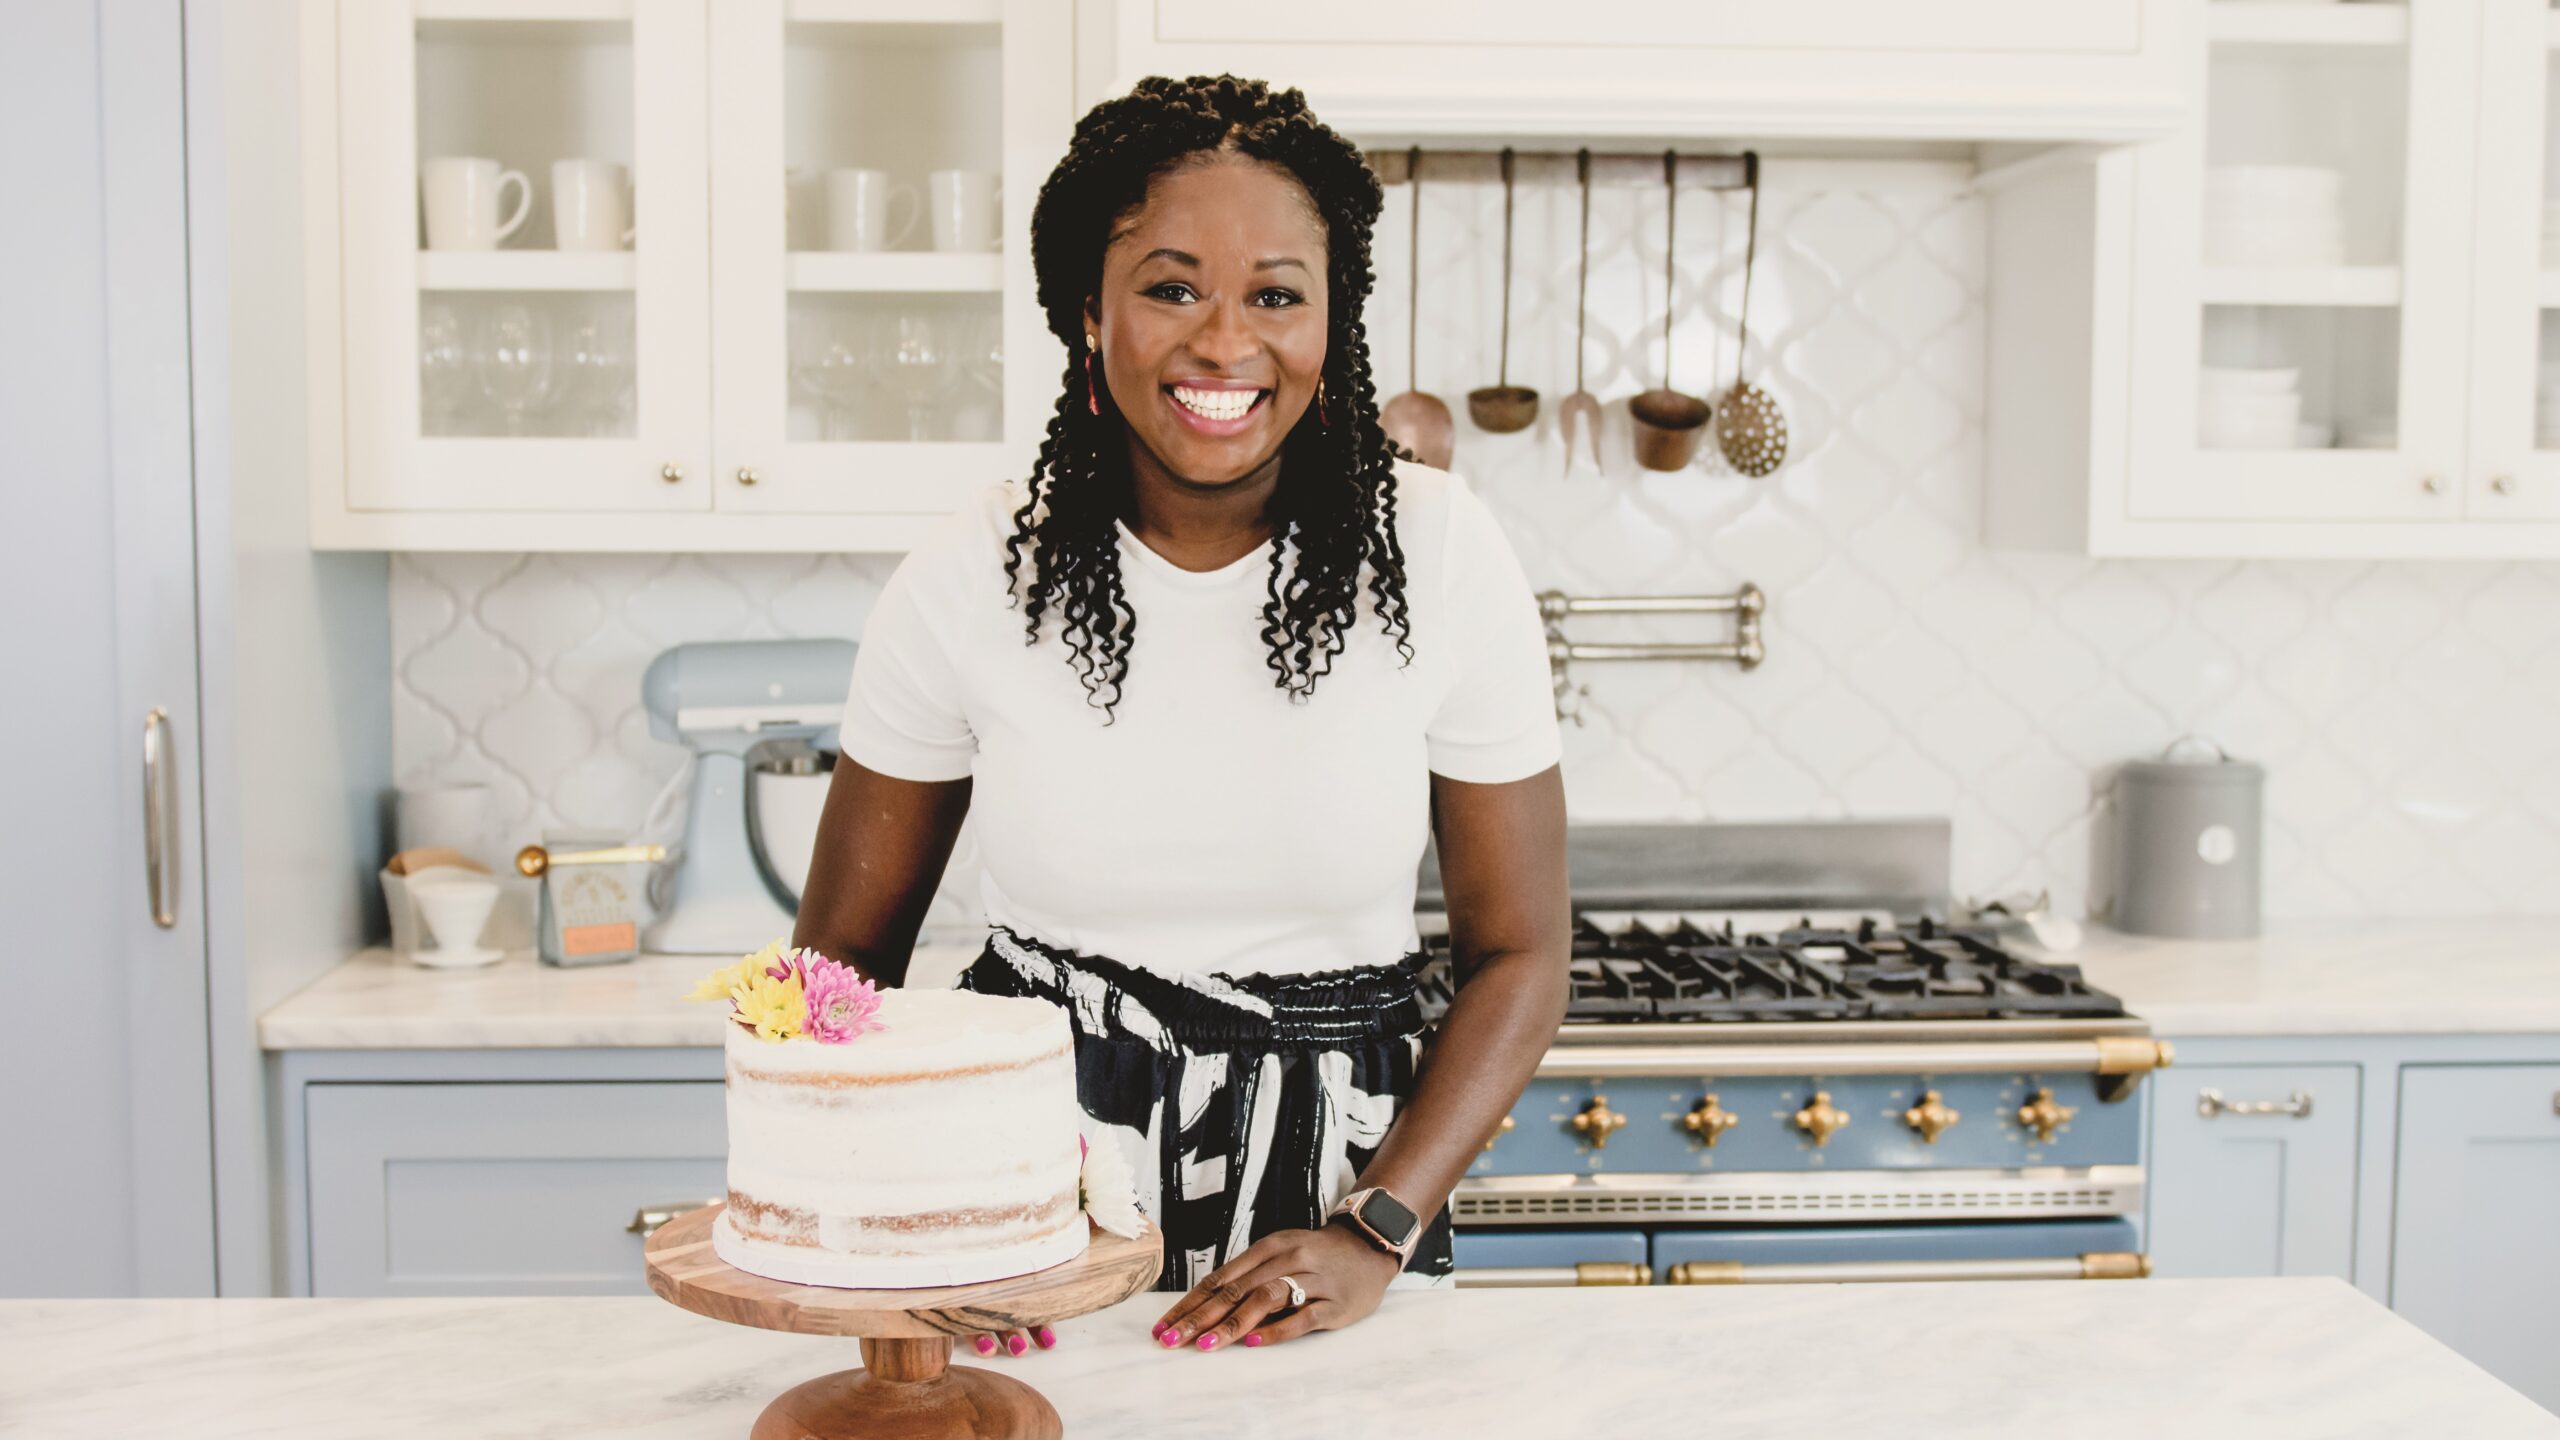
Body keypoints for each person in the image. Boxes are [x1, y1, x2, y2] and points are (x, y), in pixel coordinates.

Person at [792, 73, 1568, 1358]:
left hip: (1340, 1209)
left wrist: (1375, 1228)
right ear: (1084, 313)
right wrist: (902, 1222)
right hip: (1025, 1212)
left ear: (1334, 319)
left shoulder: (1439, 557)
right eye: (1168, 287)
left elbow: (1522, 952)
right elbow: (833, 973)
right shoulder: (970, 575)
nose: (1223, 344)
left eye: (1275, 293)